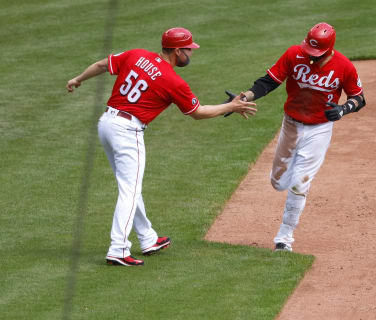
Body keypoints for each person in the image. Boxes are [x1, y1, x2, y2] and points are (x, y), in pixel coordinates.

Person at [66, 27, 257, 266]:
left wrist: (78, 78)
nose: (191, 53)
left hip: (106, 123)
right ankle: (118, 249)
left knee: (130, 185)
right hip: (127, 130)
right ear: (178, 50)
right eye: (189, 49)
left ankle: (148, 239)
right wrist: (230, 107)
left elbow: (103, 65)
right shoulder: (172, 80)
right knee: (130, 190)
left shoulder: (137, 55)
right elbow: (197, 113)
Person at [237, 22, 366, 252]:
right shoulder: (294, 54)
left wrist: (342, 110)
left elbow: (358, 98)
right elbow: (269, 81)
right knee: (278, 183)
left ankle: (284, 238)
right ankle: (287, 180)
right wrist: (245, 97)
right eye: (309, 52)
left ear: (329, 50)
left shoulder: (344, 66)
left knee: (299, 184)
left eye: (316, 55)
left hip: (319, 129)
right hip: (291, 125)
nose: (310, 58)